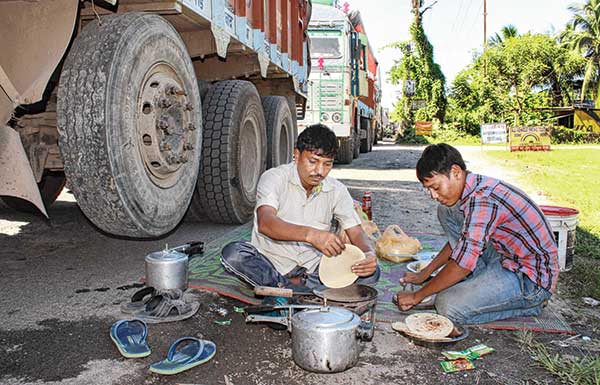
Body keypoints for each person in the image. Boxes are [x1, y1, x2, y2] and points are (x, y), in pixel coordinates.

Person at [396, 143, 559, 324]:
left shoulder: (482, 200)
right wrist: (425, 273)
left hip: (530, 278)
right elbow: (461, 244)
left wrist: (417, 296)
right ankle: (480, 284)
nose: (433, 196)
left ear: (456, 172)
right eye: (428, 190)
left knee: (447, 305)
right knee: (446, 210)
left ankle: (530, 304)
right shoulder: (473, 187)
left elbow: (462, 264)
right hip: (505, 256)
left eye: (435, 187)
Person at [221, 124, 379, 290]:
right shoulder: (274, 178)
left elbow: (356, 231)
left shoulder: (337, 190)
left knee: (371, 272)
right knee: (234, 254)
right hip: (272, 265)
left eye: (327, 164)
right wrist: (311, 235)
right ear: (296, 154)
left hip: (315, 270)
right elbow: (265, 223)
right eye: (313, 161)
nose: (319, 171)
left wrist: (368, 253)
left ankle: (287, 290)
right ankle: (291, 287)